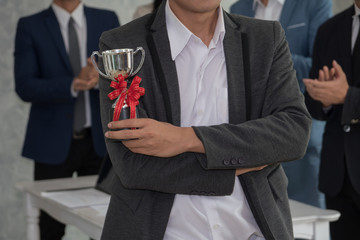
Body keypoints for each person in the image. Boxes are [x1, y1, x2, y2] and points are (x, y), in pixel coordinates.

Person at [99, 0, 311, 239]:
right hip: (161, 231)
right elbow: (132, 165)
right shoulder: (123, 43)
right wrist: (240, 163)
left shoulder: (265, 38)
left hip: (251, 231)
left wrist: (186, 138)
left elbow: (293, 132)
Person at [14, 0, 119, 239]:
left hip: (100, 144)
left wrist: (101, 77)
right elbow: (25, 86)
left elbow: (123, 76)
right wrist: (72, 84)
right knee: (49, 228)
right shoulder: (30, 26)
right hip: (51, 143)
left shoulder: (107, 20)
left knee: (104, 222)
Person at [230, 0, 332, 208]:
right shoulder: (237, 9)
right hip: (250, 140)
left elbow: (321, 66)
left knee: (311, 223)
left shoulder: (315, 4)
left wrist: (269, 53)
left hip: (301, 139)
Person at [303, 0, 360, 238]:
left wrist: (348, 97)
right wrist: (324, 99)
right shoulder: (329, 28)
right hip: (338, 178)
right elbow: (314, 107)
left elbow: (346, 96)